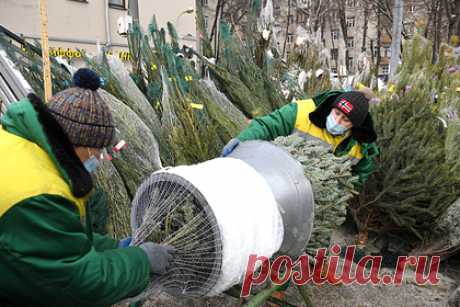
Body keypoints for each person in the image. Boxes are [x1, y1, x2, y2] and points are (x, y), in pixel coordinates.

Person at [0, 68, 175, 306]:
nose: (100, 158)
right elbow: (78, 283)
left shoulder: (17, 145)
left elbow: (60, 241)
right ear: (80, 143)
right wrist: (141, 261)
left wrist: (114, 247)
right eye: (98, 150)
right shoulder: (38, 194)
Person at [222, 90, 379, 189]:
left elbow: (359, 175)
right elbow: (267, 126)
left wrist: (338, 189)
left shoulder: (361, 146)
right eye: (337, 113)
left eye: (345, 120)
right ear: (332, 107)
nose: (337, 121)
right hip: (280, 182)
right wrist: (242, 140)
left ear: (355, 125)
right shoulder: (300, 112)